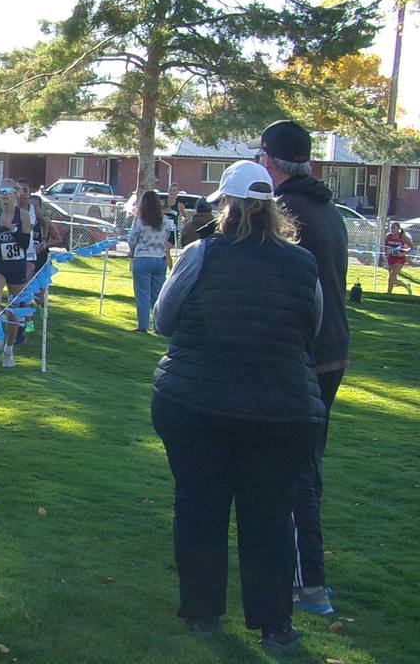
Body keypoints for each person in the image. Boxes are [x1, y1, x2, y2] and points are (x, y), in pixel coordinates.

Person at [151, 160, 326, 652]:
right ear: (272, 208)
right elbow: (311, 326)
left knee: (200, 505)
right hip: (283, 406)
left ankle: (203, 614)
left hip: (196, 398)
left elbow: (165, 320)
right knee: (269, 514)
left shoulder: (199, 253)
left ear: (224, 205)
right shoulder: (302, 263)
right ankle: (274, 624)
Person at [256, 119, 349, 616]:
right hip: (330, 353)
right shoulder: (327, 208)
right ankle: (297, 569)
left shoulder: (288, 210)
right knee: (304, 464)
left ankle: (309, 582)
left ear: (269, 161)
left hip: (304, 357)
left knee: (294, 471)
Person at [0, 179, 31, 367]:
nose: (4, 193)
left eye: (8, 190)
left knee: (14, 309)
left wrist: (12, 228)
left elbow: (25, 244)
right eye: (1, 190)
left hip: (17, 266)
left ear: (16, 193)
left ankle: (9, 349)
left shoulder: (23, 216)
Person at [16, 178, 62, 341]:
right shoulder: (21, 218)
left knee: (39, 296)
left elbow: (58, 239)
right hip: (27, 260)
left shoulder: (44, 222)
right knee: (26, 291)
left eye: (36, 206)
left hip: (41, 260)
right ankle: (28, 323)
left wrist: (45, 244)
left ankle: (42, 308)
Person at [127, 189, 170, 333]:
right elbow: (167, 238)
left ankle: (143, 325)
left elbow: (132, 239)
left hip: (143, 258)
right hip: (160, 259)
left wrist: (132, 251)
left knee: (142, 294)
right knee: (157, 296)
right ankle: (158, 326)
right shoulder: (164, 220)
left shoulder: (140, 220)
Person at [162, 182, 187, 269]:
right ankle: (162, 268)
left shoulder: (180, 205)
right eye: (170, 190)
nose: (171, 192)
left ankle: (171, 271)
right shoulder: (162, 202)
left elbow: (184, 216)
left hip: (172, 230)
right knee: (161, 250)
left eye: (174, 190)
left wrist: (184, 219)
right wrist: (164, 211)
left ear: (177, 192)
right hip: (162, 229)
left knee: (166, 249)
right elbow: (155, 213)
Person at [384, 222, 413, 294]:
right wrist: (386, 253)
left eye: (394, 228)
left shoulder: (403, 237)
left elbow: (412, 247)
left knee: (391, 277)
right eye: (391, 228)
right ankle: (389, 294)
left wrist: (403, 253)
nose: (392, 229)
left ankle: (389, 293)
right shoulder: (388, 236)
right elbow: (385, 246)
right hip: (390, 258)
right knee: (392, 279)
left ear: (398, 229)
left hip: (400, 259)